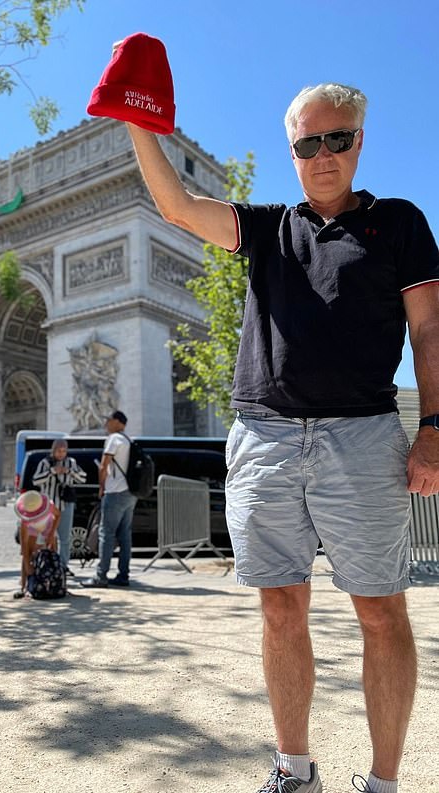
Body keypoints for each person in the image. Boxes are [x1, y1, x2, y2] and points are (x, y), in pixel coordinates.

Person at [120, 73, 439, 793]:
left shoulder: (401, 223)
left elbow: (430, 329)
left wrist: (436, 430)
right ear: (290, 149)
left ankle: (385, 782)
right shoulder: (265, 226)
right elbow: (172, 205)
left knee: (383, 613)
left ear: (359, 141)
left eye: (338, 139)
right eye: (308, 141)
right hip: (263, 435)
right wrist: (134, 117)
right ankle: (294, 769)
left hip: (363, 435)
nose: (323, 153)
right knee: (279, 606)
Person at [81, 410, 138, 588]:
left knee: (105, 533)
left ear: (117, 422)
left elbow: (104, 465)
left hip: (114, 492)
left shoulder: (113, 439)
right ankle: (123, 575)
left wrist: (101, 487)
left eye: (109, 420)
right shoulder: (128, 440)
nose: (106, 424)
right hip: (130, 493)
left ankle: (101, 576)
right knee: (125, 536)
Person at [32, 438, 87, 575]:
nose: (61, 454)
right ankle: (43, 561)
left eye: (64, 451)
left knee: (65, 537)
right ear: (53, 450)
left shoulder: (71, 463)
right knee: (45, 535)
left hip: (66, 504)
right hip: (48, 505)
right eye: (59, 451)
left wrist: (69, 472)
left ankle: (63, 565)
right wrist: (51, 472)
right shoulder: (44, 463)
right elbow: (35, 480)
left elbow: (83, 478)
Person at [13, 490, 60, 599]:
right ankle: (24, 586)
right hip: (32, 528)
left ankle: (53, 583)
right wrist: (28, 565)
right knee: (29, 552)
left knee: (51, 553)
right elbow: (24, 545)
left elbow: (58, 516)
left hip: (48, 524)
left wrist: (51, 534)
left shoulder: (50, 506)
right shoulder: (24, 520)